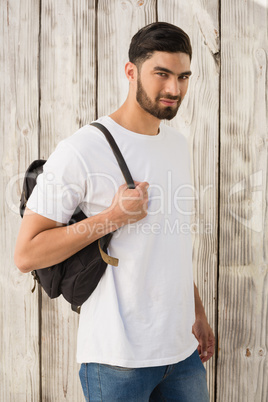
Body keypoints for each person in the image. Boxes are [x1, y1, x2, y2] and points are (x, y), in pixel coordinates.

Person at [15, 22, 215, 401]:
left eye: (183, 77)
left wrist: (197, 312)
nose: (175, 89)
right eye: (162, 74)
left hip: (183, 351)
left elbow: (167, 242)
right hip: (117, 359)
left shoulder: (176, 144)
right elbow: (26, 254)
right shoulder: (82, 149)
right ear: (130, 71)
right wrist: (112, 217)